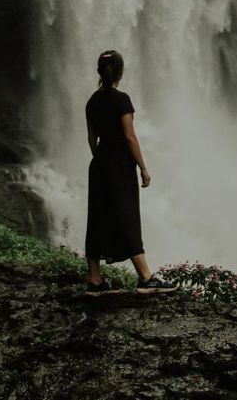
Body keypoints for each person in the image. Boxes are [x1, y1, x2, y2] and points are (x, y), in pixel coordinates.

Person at [84, 49, 176, 296]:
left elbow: (92, 138)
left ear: (99, 72)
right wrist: (144, 168)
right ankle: (146, 277)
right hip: (121, 163)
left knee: (97, 217)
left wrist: (100, 159)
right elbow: (129, 136)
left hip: (100, 162)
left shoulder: (92, 101)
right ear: (120, 71)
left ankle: (95, 280)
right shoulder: (122, 100)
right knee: (127, 215)